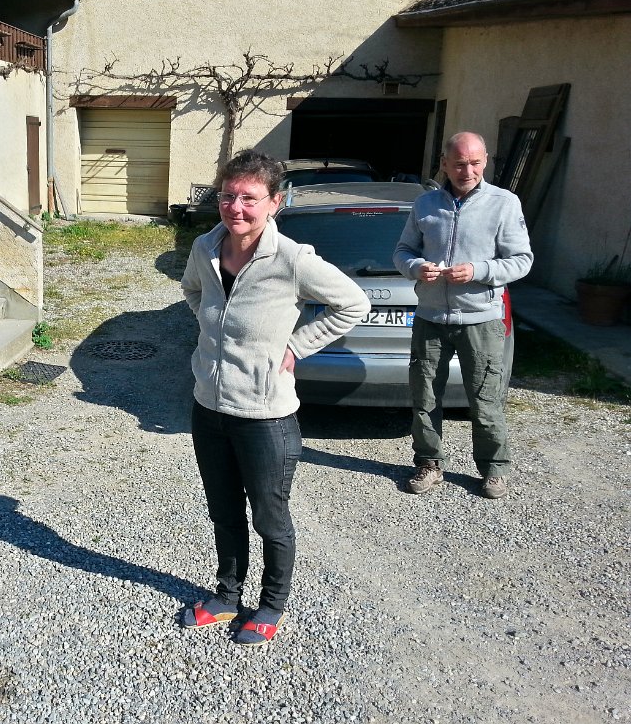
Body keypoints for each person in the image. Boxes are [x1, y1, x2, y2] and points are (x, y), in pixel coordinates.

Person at [179, 149, 369, 645]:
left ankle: (271, 604)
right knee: (223, 511)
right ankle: (226, 595)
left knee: (270, 517)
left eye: (249, 198)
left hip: (265, 416)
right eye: (228, 195)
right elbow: (193, 291)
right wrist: (212, 328)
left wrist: (297, 347)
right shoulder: (205, 247)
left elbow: (353, 302)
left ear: (274, 202)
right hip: (209, 407)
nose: (236, 207)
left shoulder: (292, 259)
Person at [393, 131, 532, 499]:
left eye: (474, 163)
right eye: (458, 163)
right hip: (430, 318)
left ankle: (493, 469)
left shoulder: (504, 204)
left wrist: (478, 271)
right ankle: (429, 463)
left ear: (484, 162)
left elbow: (522, 260)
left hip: (481, 321)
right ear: (444, 164)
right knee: (425, 398)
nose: (466, 171)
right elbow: (402, 252)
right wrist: (417, 267)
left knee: (486, 400)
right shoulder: (425, 204)